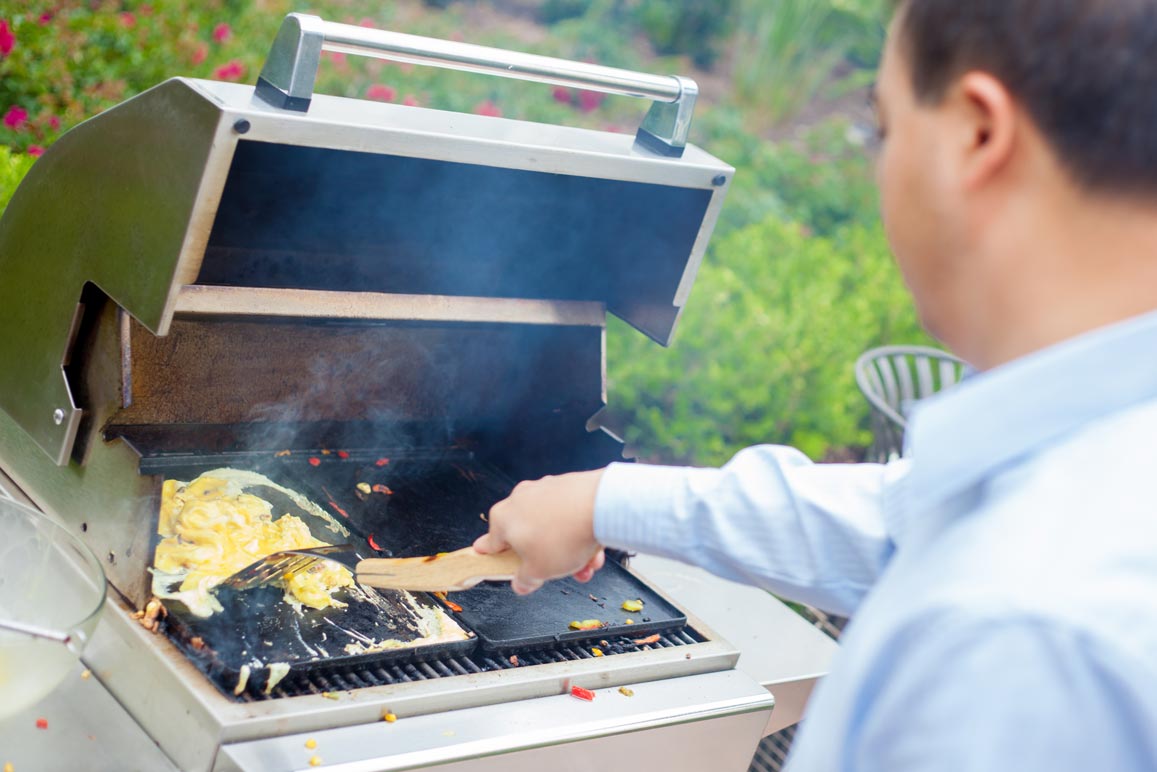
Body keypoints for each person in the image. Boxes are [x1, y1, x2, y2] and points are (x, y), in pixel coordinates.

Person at [475, 0, 1157, 769]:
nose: (878, 164)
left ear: (976, 135)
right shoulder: (1092, 470)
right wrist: (604, 500)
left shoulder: (1019, 643)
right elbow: (900, 517)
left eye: (883, 128)